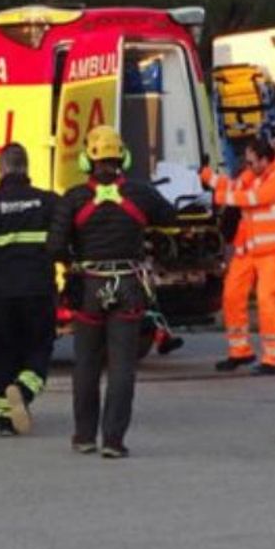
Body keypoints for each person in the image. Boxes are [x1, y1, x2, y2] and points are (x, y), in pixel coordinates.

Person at [47, 125, 177, 458]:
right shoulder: (140, 193)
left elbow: (54, 246)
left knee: (86, 365)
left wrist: (74, 262)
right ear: (123, 157)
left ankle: (84, 436)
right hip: (128, 287)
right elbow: (169, 216)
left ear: (86, 161)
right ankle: (114, 440)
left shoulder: (74, 198)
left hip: (89, 287)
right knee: (121, 367)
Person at [0, 142, 57, 436]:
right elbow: (66, 240)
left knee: (3, 353)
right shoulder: (47, 201)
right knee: (39, 347)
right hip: (38, 290)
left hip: (2, 293)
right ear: (26, 168)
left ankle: (6, 420)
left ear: (1, 170)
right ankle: (24, 390)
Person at [201, 135, 275, 375]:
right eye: (247, 162)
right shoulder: (253, 173)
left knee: (267, 301)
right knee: (231, 297)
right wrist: (206, 176)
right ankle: (240, 352)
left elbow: (253, 198)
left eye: (252, 162)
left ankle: (271, 359)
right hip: (247, 249)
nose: (248, 166)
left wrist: (218, 197)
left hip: (272, 252)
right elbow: (233, 186)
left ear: (265, 160)